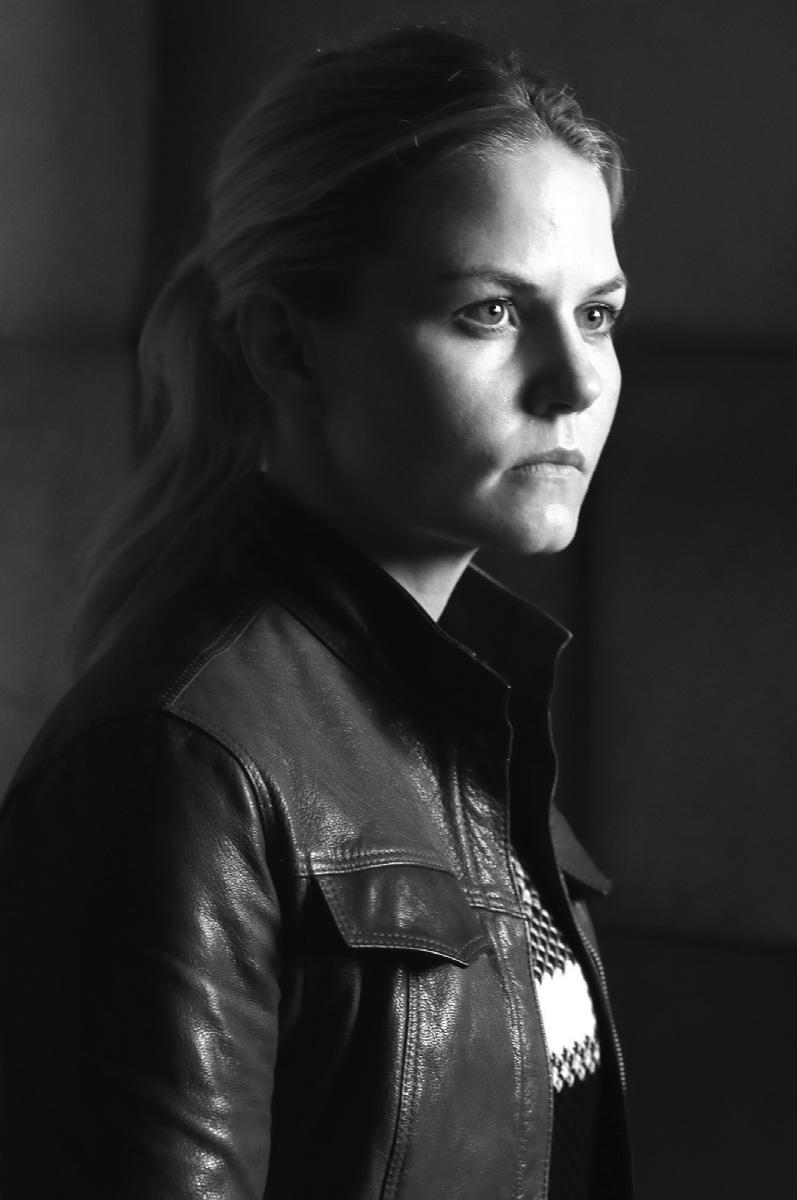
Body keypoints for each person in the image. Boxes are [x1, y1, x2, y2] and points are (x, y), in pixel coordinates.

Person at [0, 23, 632, 1200]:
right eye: (490, 312)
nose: (575, 380)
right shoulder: (180, 764)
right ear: (288, 348)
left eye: (594, 314)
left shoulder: (465, 706)